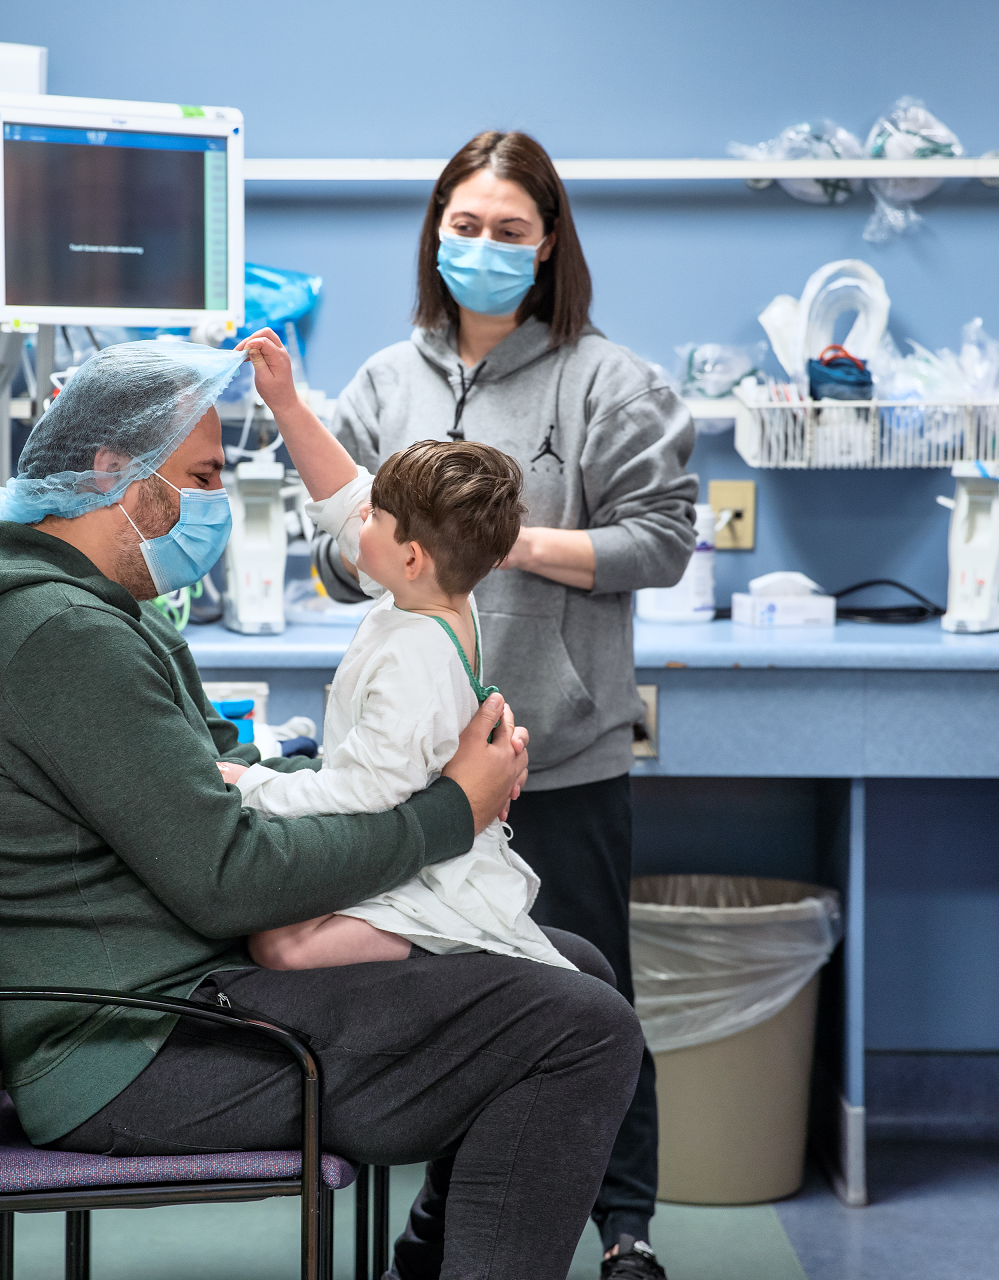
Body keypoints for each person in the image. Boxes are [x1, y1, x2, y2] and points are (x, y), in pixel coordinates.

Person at [0, 339, 646, 1280]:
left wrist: (319, 767)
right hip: (134, 1047)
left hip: (165, 993)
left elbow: (206, 767)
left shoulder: (96, 609)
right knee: (583, 1025)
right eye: (203, 476)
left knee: (562, 964)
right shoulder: (60, 639)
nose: (218, 501)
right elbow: (227, 882)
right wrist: (452, 811)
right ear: (116, 476)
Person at [310, 130, 698, 1278]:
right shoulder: (384, 382)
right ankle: (448, 1227)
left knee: (589, 997)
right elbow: (338, 553)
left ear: (549, 243)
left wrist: (502, 539)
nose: (483, 246)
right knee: (458, 1008)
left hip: (559, 758)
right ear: (438, 233)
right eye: (465, 225)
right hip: (422, 777)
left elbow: (664, 541)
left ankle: (626, 1229)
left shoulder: (612, 382)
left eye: (509, 230)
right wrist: (362, 546)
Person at [225, 328, 569, 973]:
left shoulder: (413, 656)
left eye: (375, 515)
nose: (360, 518)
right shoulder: (438, 595)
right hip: (421, 822)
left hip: (432, 870)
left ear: (410, 556)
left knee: (280, 945)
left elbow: (363, 791)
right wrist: (288, 406)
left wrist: (254, 787)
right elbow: (344, 494)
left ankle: (450, 950)